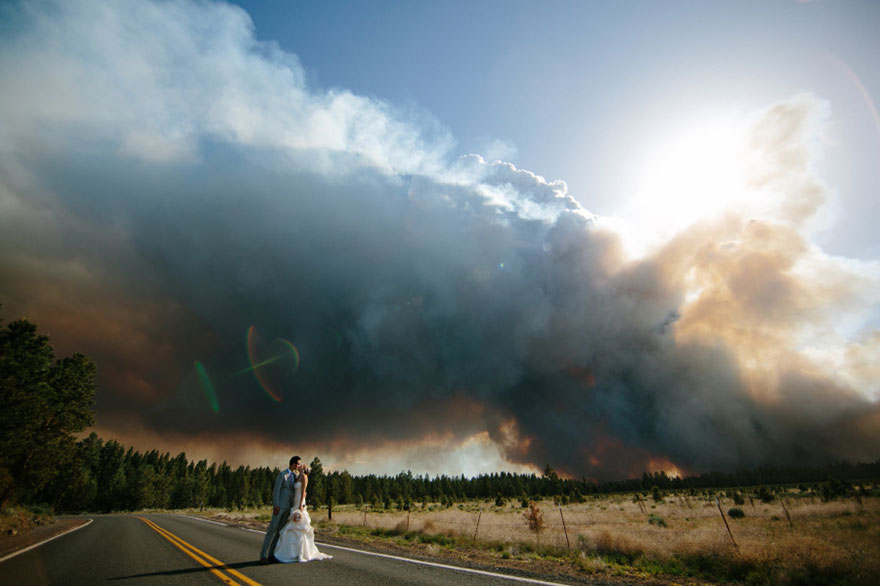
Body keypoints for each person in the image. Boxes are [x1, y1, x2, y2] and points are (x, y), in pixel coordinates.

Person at [274, 464, 332, 562]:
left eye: (301, 466)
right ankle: (291, 551)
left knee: (299, 526)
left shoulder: (304, 477)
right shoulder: (297, 477)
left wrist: (301, 504)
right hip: (294, 501)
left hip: (300, 501)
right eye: (299, 465)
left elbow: (303, 491)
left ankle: (300, 552)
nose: (299, 466)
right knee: (292, 526)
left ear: (304, 469)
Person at [260, 456, 300, 564]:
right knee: (272, 530)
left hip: (288, 509)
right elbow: (276, 491)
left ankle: (271, 554)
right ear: (293, 464)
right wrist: (276, 505)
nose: (298, 466)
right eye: (298, 464)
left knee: (279, 532)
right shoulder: (282, 475)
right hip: (279, 507)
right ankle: (263, 555)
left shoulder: (295, 476)